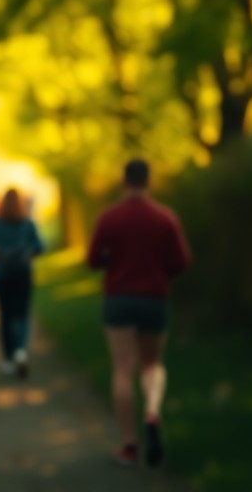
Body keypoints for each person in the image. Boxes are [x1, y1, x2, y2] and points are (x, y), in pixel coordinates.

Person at [88, 159, 191, 469]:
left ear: (124, 182)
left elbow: (93, 260)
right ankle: (153, 411)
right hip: (154, 299)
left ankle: (129, 443)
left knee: (122, 370)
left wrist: (113, 264)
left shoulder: (109, 218)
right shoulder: (165, 218)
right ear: (149, 181)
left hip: (119, 298)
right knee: (152, 366)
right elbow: (181, 261)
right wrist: (159, 272)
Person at [0, 187, 45, 379]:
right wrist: (26, 253)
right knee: (22, 314)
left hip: (2, 276)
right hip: (22, 275)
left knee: (5, 317)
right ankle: (20, 350)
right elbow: (40, 247)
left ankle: (8, 359)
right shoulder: (27, 224)